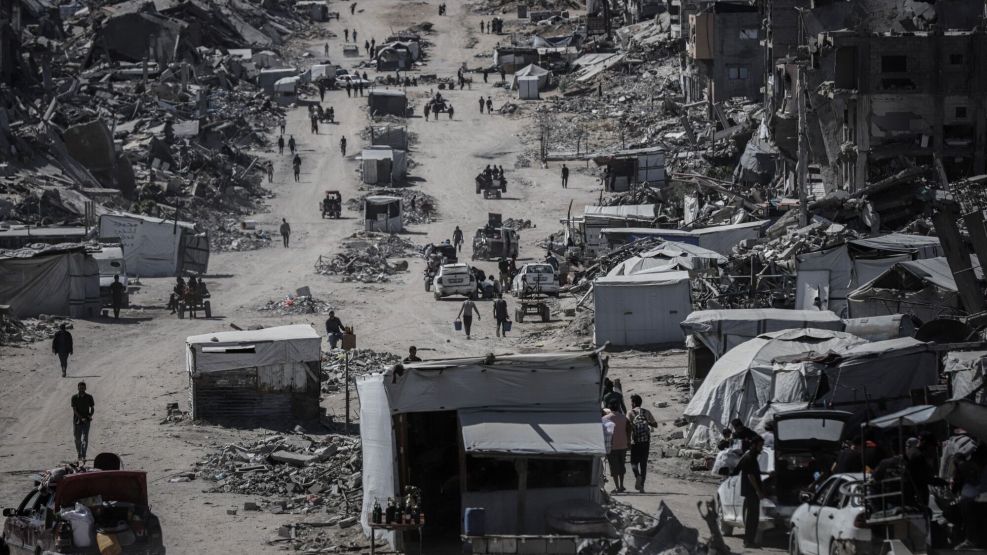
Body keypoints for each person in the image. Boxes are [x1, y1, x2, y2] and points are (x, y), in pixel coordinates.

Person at [737, 436, 766, 548]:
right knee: (752, 518)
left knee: (753, 517)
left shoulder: (751, 457)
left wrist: (767, 473)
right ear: (754, 445)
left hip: (751, 491)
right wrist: (758, 491)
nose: (761, 448)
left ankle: (749, 541)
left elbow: (754, 472)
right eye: (760, 445)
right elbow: (750, 476)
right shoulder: (750, 457)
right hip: (751, 492)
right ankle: (748, 541)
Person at [628, 394, 657, 492]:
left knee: (633, 462)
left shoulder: (630, 413)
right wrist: (647, 422)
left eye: (631, 402)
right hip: (646, 441)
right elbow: (655, 424)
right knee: (643, 464)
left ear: (634, 403)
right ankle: (642, 487)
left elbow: (627, 426)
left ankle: (637, 476)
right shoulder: (646, 412)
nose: (631, 404)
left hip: (635, 441)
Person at [603, 400, 631, 492]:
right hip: (623, 445)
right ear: (618, 407)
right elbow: (628, 429)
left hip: (611, 446)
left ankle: (617, 486)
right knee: (621, 465)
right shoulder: (624, 418)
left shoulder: (605, 418)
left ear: (609, 408)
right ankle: (622, 485)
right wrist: (628, 441)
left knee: (613, 466)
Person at [72, 382, 94, 463]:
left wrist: (90, 415)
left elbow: (92, 408)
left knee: (85, 439)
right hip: (77, 421)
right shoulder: (74, 397)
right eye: (80, 387)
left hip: (86, 421)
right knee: (77, 439)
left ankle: (84, 455)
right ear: (78, 388)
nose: (81, 389)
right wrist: (81, 418)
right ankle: (79, 453)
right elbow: (74, 410)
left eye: (83, 388)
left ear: (85, 388)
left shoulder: (89, 397)